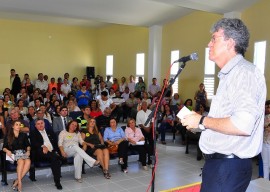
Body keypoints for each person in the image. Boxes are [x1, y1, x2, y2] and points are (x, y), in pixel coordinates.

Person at [181, 18, 266, 192]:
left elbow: (242, 124)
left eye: (214, 38)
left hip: (228, 167)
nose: (208, 44)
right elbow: (225, 121)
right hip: (220, 166)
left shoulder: (244, 73)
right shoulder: (230, 75)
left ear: (230, 43)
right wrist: (199, 125)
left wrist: (202, 121)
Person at [30, 118, 63, 190]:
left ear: (44, 124)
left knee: (55, 159)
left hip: (52, 152)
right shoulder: (33, 133)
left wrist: (57, 151)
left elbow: (55, 143)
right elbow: (34, 143)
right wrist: (43, 146)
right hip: (40, 153)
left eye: (42, 123)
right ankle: (58, 182)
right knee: (55, 158)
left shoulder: (50, 131)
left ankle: (57, 182)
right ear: (35, 126)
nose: (40, 125)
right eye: (38, 124)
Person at [2, 120, 31, 192]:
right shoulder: (8, 135)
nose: (18, 126)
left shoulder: (23, 135)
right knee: (21, 161)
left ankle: (17, 181)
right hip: (12, 154)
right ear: (13, 126)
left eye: (19, 124)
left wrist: (28, 151)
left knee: (28, 161)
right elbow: (4, 147)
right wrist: (7, 151)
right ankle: (20, 183)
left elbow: (28, 145)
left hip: (22, 153)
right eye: (16, 124)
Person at [261, 100, 270, 179]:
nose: (267, 109)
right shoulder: (263, 117)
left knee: (267, 164)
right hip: (264, 142)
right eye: (266, 107)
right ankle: (265, 181)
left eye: (269, 107)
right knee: (265, 164)